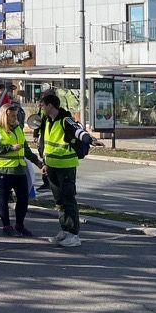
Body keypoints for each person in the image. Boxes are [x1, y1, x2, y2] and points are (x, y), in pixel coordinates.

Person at [37, 92, 101, 248]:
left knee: (68, 200)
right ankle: (65, 230)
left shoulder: (66, 120)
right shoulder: (47, 120)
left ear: (50, 106)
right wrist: (45, 163)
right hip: (52, 166)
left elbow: (79, 132)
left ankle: (73, 234)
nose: (41, 109)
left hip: (66, 167)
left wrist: (90, 140)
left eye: (43, 106)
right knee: (59, 202)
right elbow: (45, 143)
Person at [0, 104, 43, 237]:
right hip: (4, 170)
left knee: (23, 198)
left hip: (19, 169)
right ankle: (6, 225)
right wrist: (10, 148)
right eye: (12, 116)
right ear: (4, 116)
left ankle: (19, 225)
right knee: (4, 198)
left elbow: (25, 148)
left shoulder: (17, 128)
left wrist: (36, 161)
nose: (14, 118)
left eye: (15, 116)